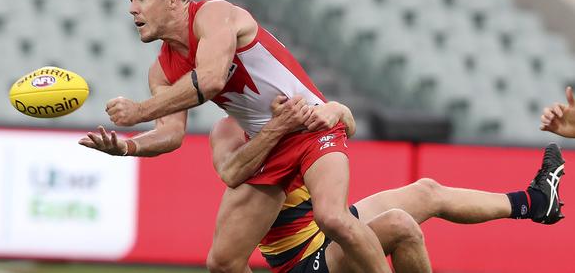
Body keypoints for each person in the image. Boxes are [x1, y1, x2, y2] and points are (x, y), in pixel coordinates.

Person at [78, 0, 390, 272]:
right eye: (131, 0)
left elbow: (211, 79)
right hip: (267, 143)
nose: (132, 8)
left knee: (334, 217)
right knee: (223, 263)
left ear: (173, 0)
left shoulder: (213, 15)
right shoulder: (160, 71)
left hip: (308, 123)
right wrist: (128, 146)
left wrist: (139, 110)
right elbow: (171, 134)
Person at [212, 95, 566, 272]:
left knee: (426, 191)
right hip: (302, 259)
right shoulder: (228, 130)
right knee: (401, 226)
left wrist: (336, 109)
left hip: (327, 228)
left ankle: (535, 202)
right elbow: (231, 173)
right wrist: (277, 128)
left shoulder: (287, 99)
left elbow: (347, 125)